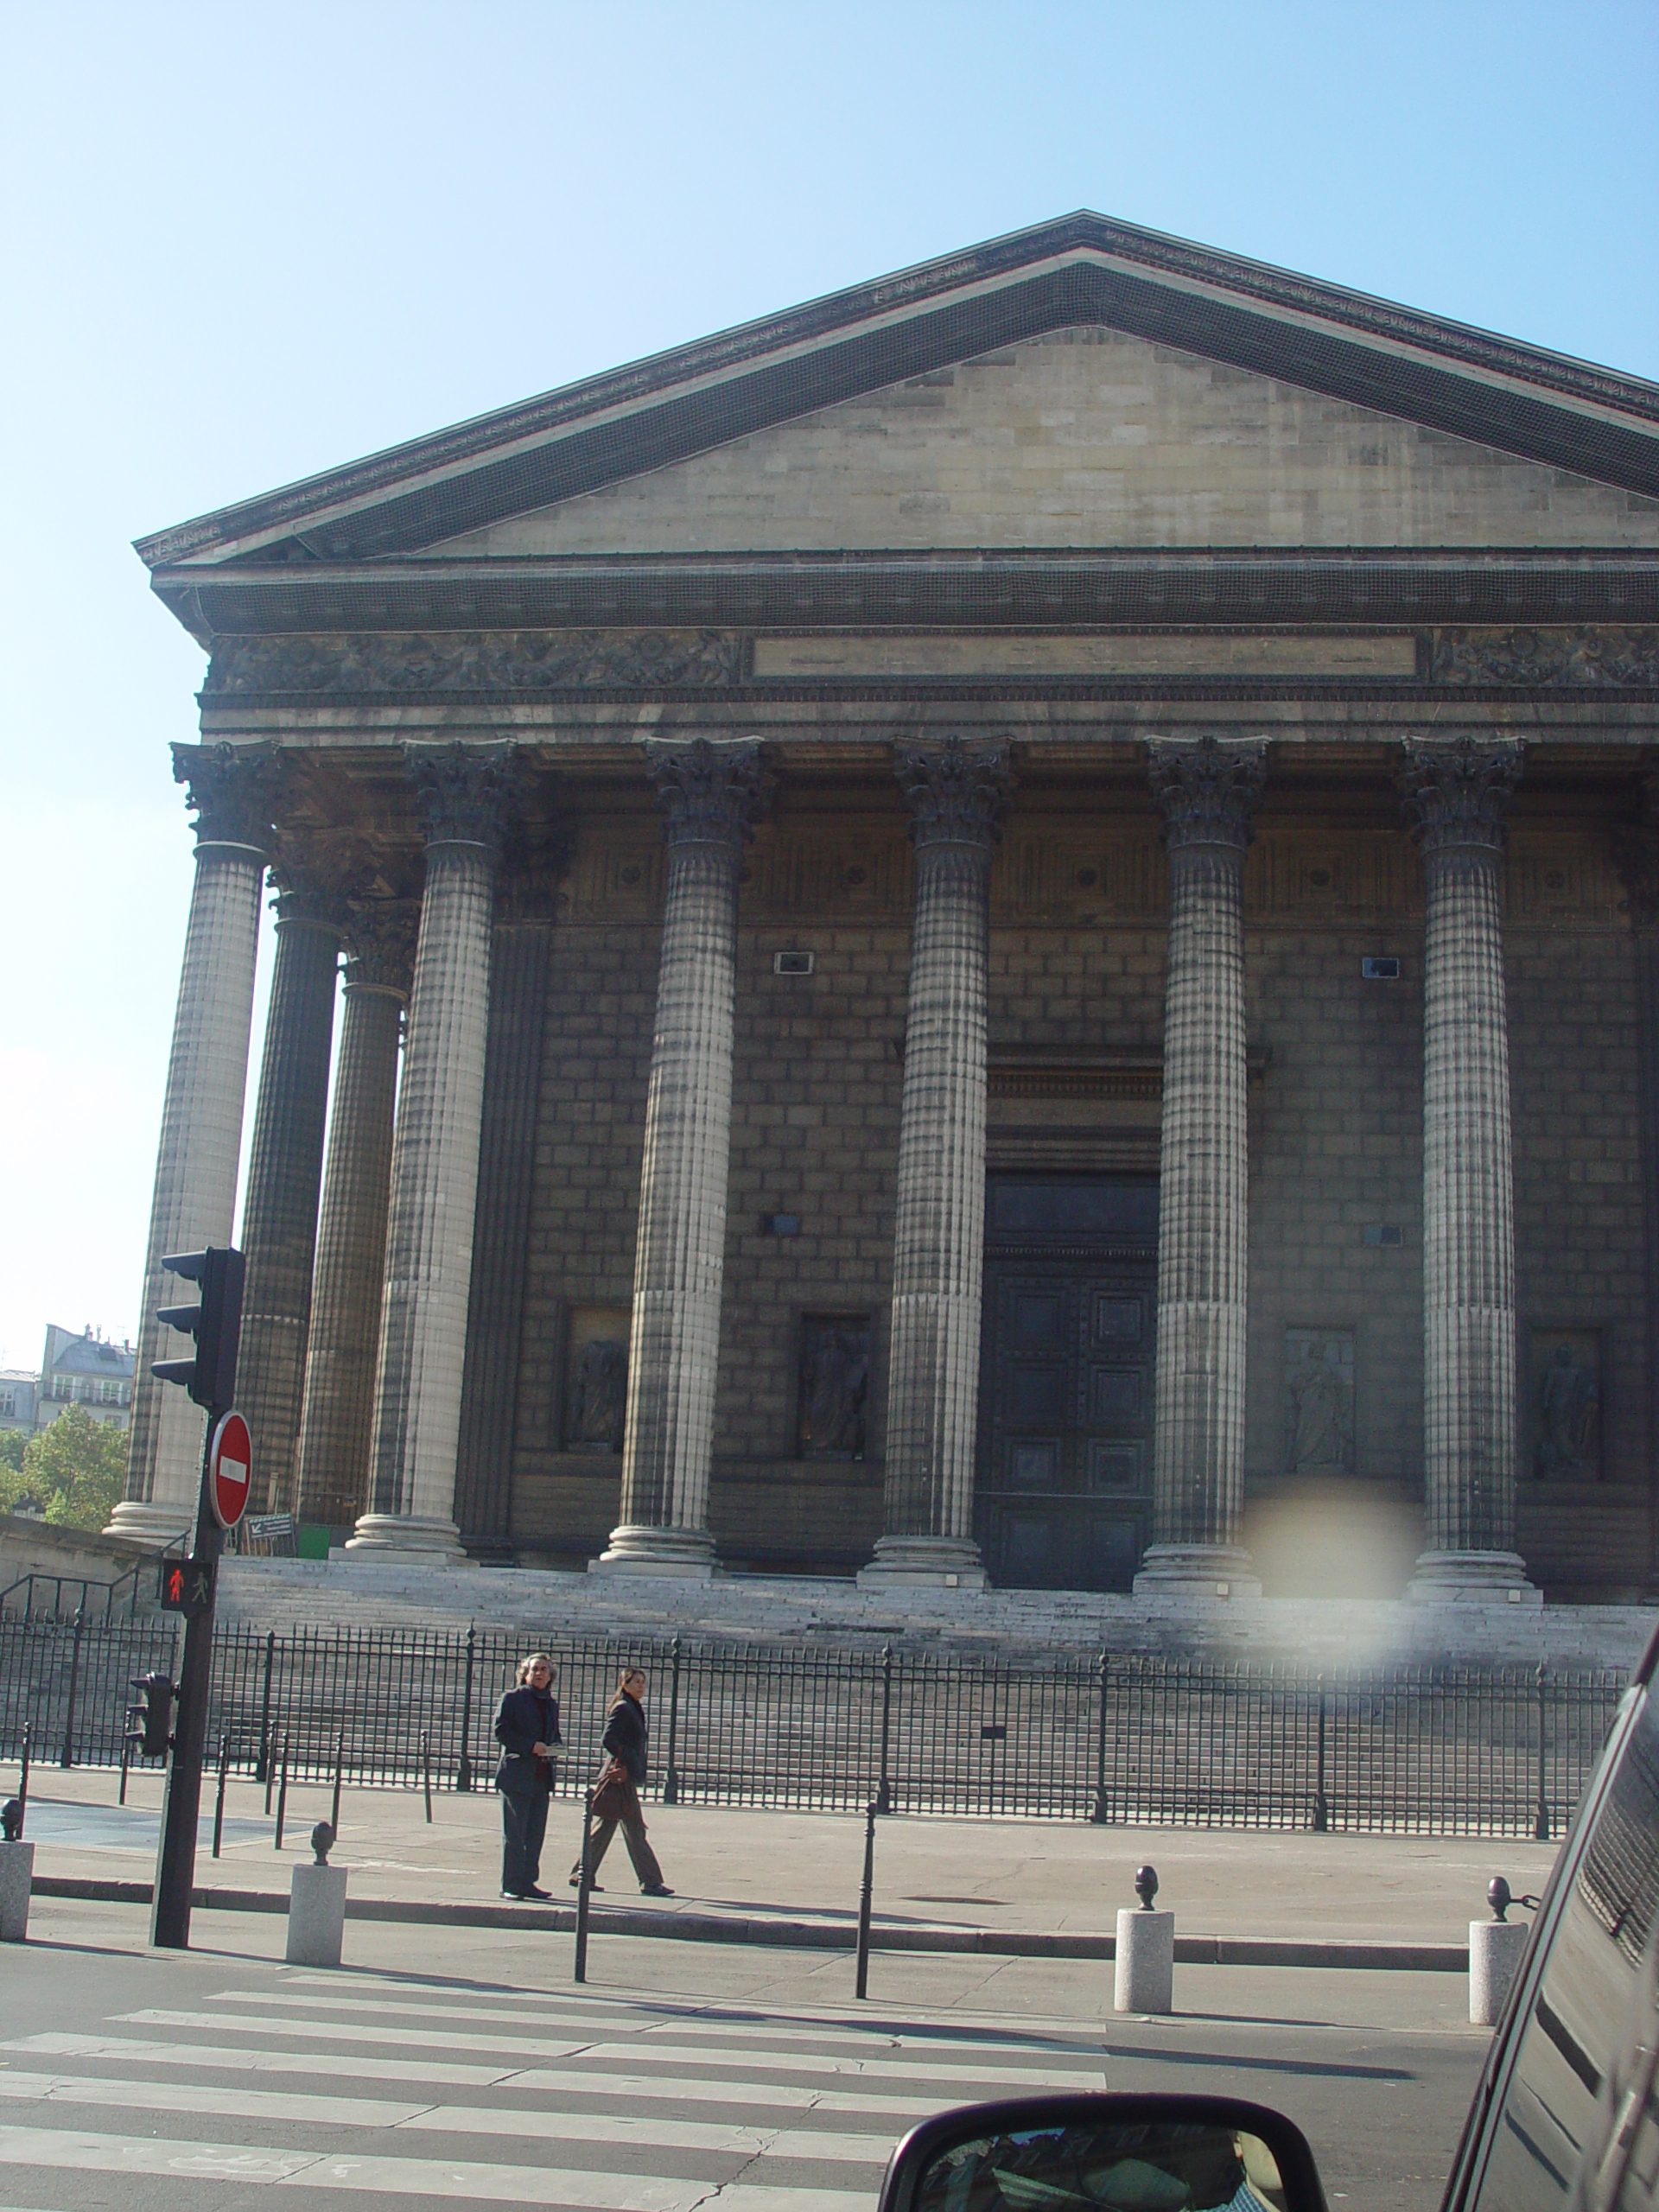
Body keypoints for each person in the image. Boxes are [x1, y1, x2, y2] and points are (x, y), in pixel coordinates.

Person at [569, 1665, 674, 1896]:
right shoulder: (624, 1708)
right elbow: (608, 1739)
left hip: (623, 1776)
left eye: (643, 1682)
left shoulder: (632, 1707)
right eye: (636, 1681)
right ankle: (650, 1880)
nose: (641, 1686)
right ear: (624, 1684)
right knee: (634, 1829)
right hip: (620, 1777)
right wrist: (628, 1760)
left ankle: (581, 1873)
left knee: (606, 1827)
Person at [493, 1651, 561, 1900]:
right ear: (526, 1673)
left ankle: (528, 1881)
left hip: (541, 1777)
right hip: (517, 1775)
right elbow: (501, 1731)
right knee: (515, 1833)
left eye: (544, 1669)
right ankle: (510, 1884)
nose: (540, 1673)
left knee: (535, 1834)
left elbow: (553, 1735)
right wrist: (530, 1745)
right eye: (535, 1669)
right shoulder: (512, 1699)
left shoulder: (551, 1703)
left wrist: (555, 1748)